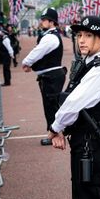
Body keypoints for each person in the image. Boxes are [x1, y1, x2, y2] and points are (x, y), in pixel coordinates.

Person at [48, 16, 100, 199]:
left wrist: (55, 128)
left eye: (89, 35)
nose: (81, 40)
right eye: (79, 35)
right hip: (86, 142)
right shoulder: (88, 64)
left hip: (94, 144)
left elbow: (73, 103)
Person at [22, 8, 66, 146]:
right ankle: (54, 133)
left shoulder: (50, 37)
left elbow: (37, 52)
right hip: (50, 76)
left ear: (51, 22)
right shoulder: (49, 35)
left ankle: (54, 135)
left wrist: (26, 62)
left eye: (44, 19)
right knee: (51, 106)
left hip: (51, 76)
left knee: (51, 107)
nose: (41, 22)